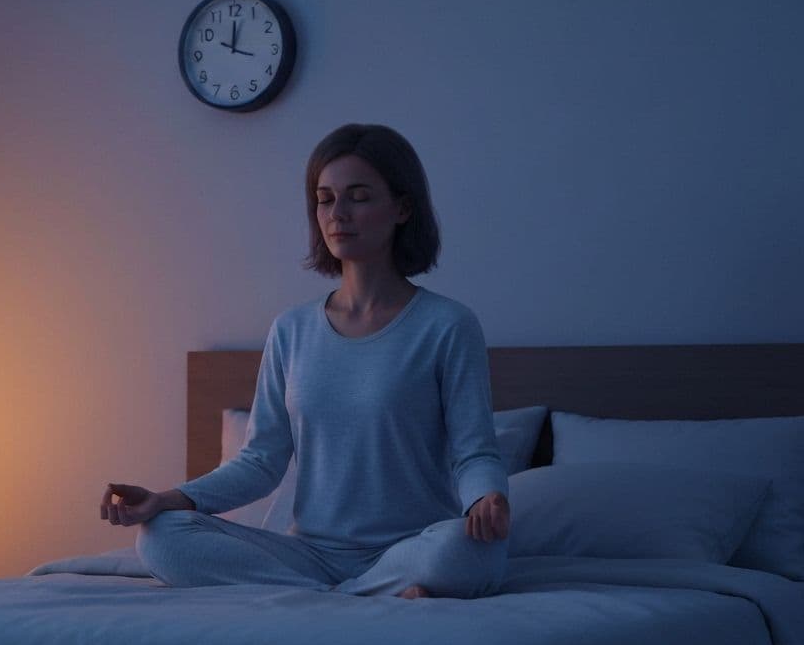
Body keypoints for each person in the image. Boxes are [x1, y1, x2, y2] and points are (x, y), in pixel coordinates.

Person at [100, 123, 509, 599]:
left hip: (413, 546)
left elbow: (473, 452)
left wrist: (486, 497)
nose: (338, 214)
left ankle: (346, 591)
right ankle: (363, 594)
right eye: (325, 199)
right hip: (310, 555)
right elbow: (260, 462)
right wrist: (166, 499)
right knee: (162, 535)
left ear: (402, 208)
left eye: (358, 197)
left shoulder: (447, 325)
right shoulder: (291, 330)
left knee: (472, 550)